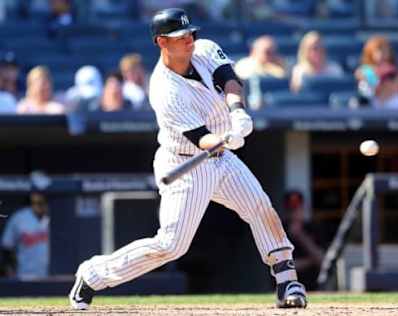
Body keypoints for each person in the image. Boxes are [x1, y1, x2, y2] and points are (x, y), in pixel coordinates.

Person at [69, 8, 307, 310]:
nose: (189, 40)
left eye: (190, 33)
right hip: (186, 164)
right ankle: (92, 275)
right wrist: (222, 139)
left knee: (259, 205)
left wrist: (237, 111)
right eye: (180, 37)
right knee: (171, 245)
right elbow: (201, 138)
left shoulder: (204, 48)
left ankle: (287, 280)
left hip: (221, 160)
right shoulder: (163, 89)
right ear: (161, 42)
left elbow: (229, 79)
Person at [0, 192, 50, 280]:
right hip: (25, 275)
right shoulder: (19, 218)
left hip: (52, 276)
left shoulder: (58, 214)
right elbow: (7, 246)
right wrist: (10, 270)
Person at [283, 191, 323, 291]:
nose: (295, 212)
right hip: (285, 287)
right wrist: (309, 261)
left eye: (297, 208)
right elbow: (281, 266)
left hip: (312, 287)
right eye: (292, 209)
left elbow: (321, 260)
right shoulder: (279, 229)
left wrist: (300, 235)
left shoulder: (313, 228)